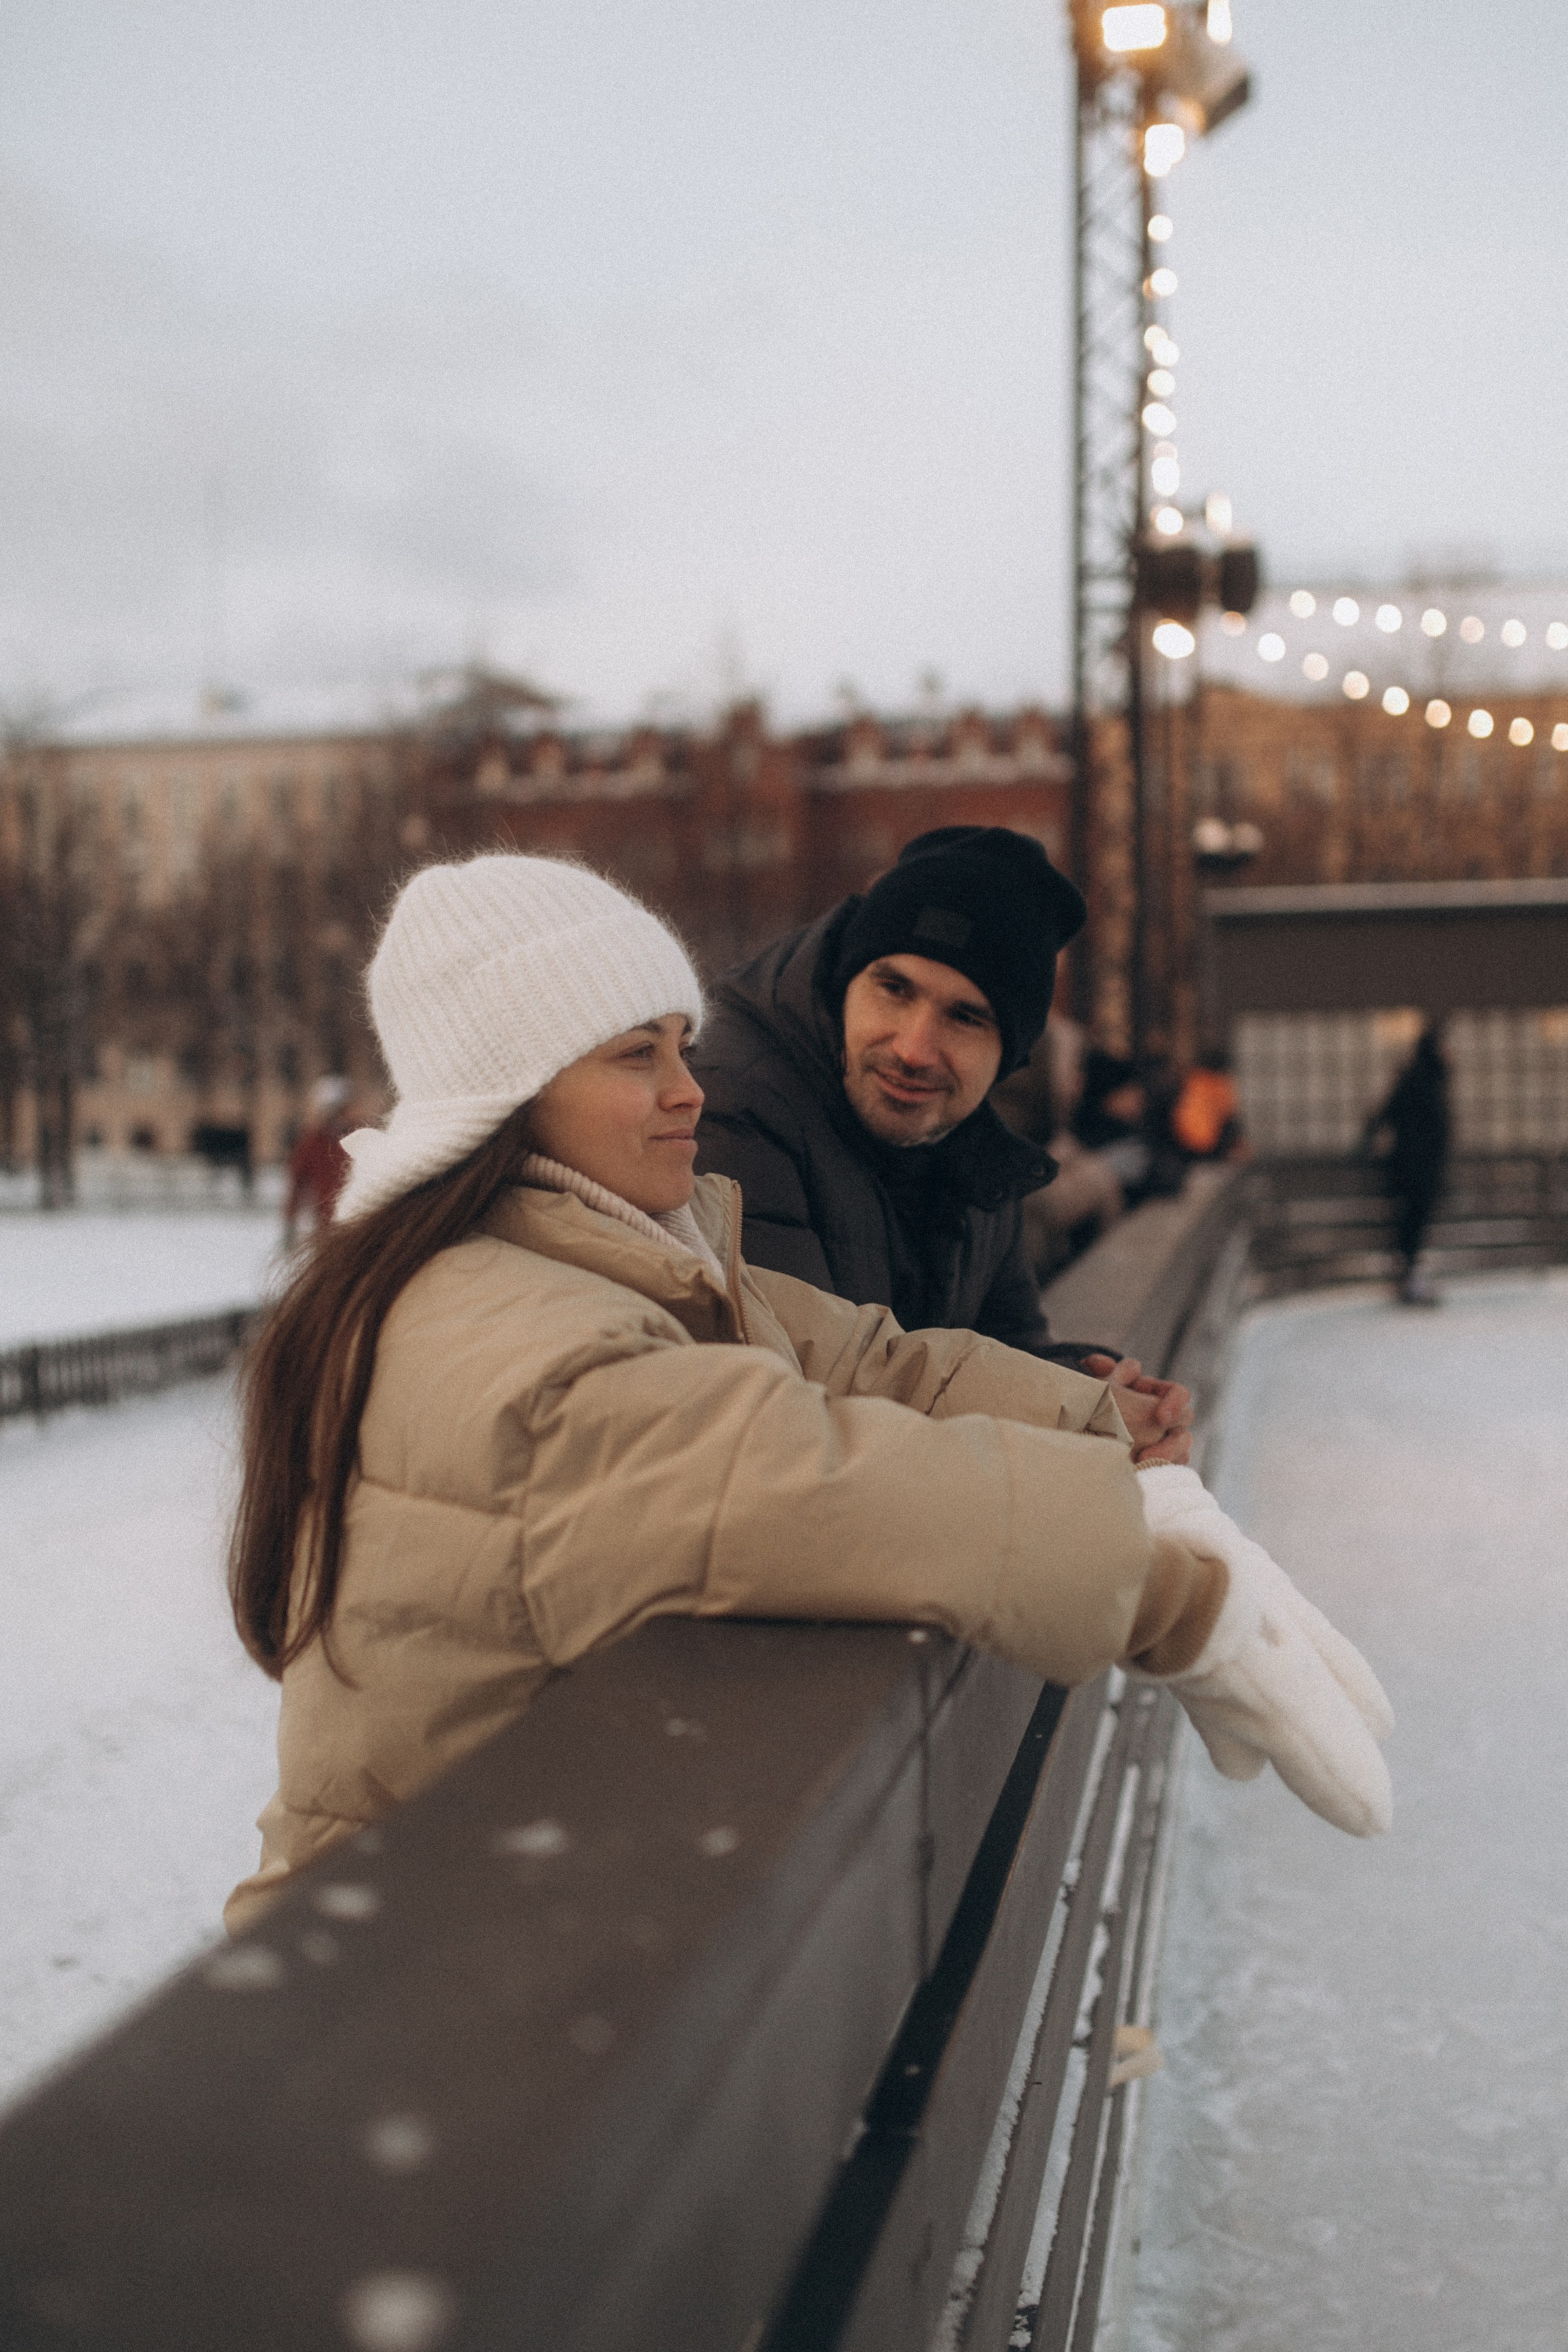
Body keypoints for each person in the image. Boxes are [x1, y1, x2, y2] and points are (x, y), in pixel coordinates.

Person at [224, 854, 1393, 1932]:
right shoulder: (522, 1340)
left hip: (504, 1910)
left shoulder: (618, 1249)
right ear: (509, 1092)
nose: (689, 1091)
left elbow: (868, 1359)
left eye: (682, 1044)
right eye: (636, 1055)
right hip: (386, 1977)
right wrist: (1180, 1603)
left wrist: (1096, 1416)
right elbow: (808, 1475)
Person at [690, 827, 1190, 1463]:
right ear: (846, 980)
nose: (913, 1049)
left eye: (965, 1017)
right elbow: (798, 1414)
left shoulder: (972, 1147)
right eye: (894, 989)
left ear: (1008, 1055)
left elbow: (1005, 1347)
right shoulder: (733, 1104)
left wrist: (1096, 1388)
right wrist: (1077, 1416)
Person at [1365, 1021, 1451, 1306]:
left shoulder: (1417, 1080)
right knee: (1412, 1224)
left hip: (1413, 1167)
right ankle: (1408, 1281)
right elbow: (1390, 1116)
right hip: (1416, 1168)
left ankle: (1409, 1279)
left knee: (1412, 1224)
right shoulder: (1422, 1082)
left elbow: (1383, 1116)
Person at [283, 1075, 356, 1242]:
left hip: (359, 1220)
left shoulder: (359, 1136)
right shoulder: (313, 1142)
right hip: (327, 1221)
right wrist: (290, 1220)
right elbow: (297, 1181)